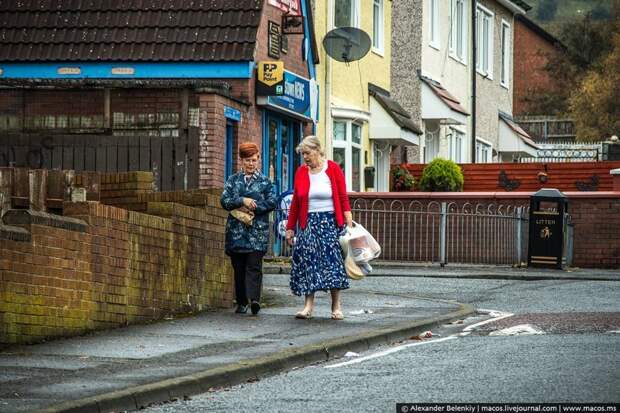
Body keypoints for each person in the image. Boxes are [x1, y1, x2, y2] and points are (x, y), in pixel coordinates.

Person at [285, 135, 353, 320]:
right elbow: (296, 204)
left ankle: (336, 305)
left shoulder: (332, 169)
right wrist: (290, 228)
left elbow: (342, 195)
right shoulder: (301, 172)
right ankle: (308, 306)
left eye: (307, 153)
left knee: (333, 263)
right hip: (308, 224)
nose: (305, 157)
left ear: (317, 150)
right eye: (303, 154)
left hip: (330, 222)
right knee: (308, 262)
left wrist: (347, 216)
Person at [221, 142, 276, 315]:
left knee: (254, 266)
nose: (251, 164)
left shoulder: (266, 182)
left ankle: (254, 300)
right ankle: (242, 302)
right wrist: (241, 201)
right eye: (247, 160)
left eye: (254, 160)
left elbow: (272, 201)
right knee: (238, 268)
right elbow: (224, 201)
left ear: (258, 159)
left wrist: (254, 207)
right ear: (241, 161)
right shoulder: (233, 180)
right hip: (236, 232)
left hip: (257, 233)